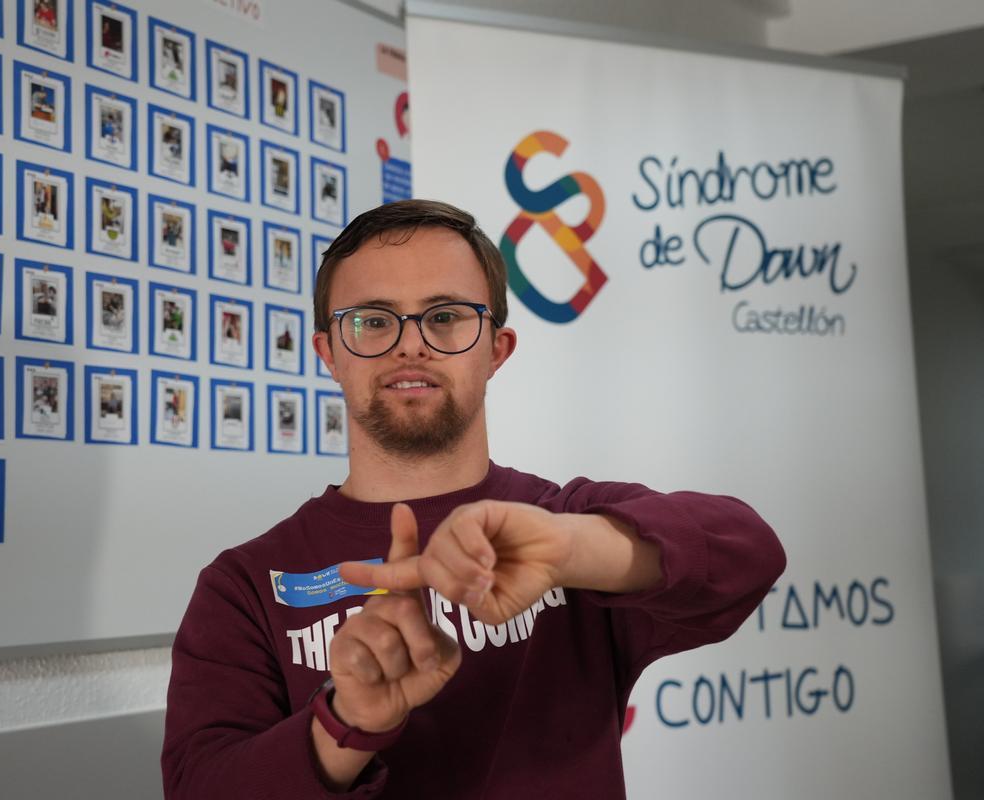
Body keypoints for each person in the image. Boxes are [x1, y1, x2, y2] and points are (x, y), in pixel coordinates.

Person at [162, 199, 786, 798]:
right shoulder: (244, 586)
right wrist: (345, 724)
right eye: (373, 320)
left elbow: (749, 553)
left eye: (445, 317)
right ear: (329, 353)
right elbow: (200, 787)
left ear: (496, 349)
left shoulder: (565, 524)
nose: (410, 344)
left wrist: (567, 550)